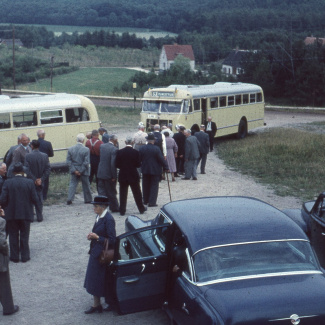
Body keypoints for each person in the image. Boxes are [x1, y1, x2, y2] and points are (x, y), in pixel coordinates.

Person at [0, 162, 41, 263]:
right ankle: (25, 256)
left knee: (13, 235)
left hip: (11, 214)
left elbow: (3, 199)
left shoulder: (7, 182)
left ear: (13, 172)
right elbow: (35, 199)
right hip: (26, 213)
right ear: (23, 171)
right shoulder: (29, 182)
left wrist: (5, 208)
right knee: (24, 235)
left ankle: (14, 256)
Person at [84, 196, 116, 314]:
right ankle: (96, 304)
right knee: (94, 279)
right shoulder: (99, 216)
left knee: (98, 279)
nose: (94, 208)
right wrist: (92, 236)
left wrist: (97, 237)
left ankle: (101, 304)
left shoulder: (108, 219)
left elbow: (112, 240)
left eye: (96, 206)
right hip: (96, 252)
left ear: (103, 207)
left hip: (102, 254)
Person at [115, 136, 146, 216]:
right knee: (137, 193)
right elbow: (138, 164)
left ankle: (122, 210)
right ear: (132, 142)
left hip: (123, 174)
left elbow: (117, 164)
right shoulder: (135, 152)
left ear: (125, 142)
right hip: (133, 174)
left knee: (122, 193)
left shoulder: (119, 152)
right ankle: (141, 208)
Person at [139, 133, 169, 207]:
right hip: (155, 170)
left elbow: (139, 159)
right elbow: (161, 159)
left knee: (145, 185)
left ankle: (145, 200)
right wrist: (166, 167)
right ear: (154, 140)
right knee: (154, 185)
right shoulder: (156, 148)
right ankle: (152, 202)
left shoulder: (142, 148)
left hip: (145, 169)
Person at [25, 140, 51, 222]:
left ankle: (31, 216)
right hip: (40, 181)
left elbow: (27, 170)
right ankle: (39, 216)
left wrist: (34, 179)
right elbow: (47, 169)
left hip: (31, 181)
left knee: (30, 198)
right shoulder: (45, 155)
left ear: (32, 146)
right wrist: (41, 179)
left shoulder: (28, 156)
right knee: (39, 198)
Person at [0, 209, 19, 316]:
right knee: (4, 283)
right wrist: (6, 252)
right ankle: (8, 308)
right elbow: (2, 242)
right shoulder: (1, 222)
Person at [66, 133, 92, 205]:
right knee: (86, 184)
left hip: (74, 169)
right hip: (83, 170)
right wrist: (80, 170)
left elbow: (68, 161)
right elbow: (86, 162)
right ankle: (88, 199)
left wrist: (74, 170)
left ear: (76, 140)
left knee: (72, 184)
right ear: (83, 140)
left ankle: (70, 198)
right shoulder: (86, 149)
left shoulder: (70, 149)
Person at [97, 134, 119, 213]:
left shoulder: (102, 146)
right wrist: (114, 176)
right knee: (111, 192)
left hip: (101, 172)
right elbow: (112, 164)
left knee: (101, 191)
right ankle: (114, 207)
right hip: (109, 174)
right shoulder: (114, 149)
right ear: (115, 140)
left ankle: (100, 207)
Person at [37, 129, 54, 200]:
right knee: (45, 179)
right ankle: (44, 196)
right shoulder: (48, 143)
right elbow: (51, 154)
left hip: (36, 164)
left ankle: (38, 195)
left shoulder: (34, 143)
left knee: (37, 178)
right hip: (45, 163)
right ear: (43, 135)